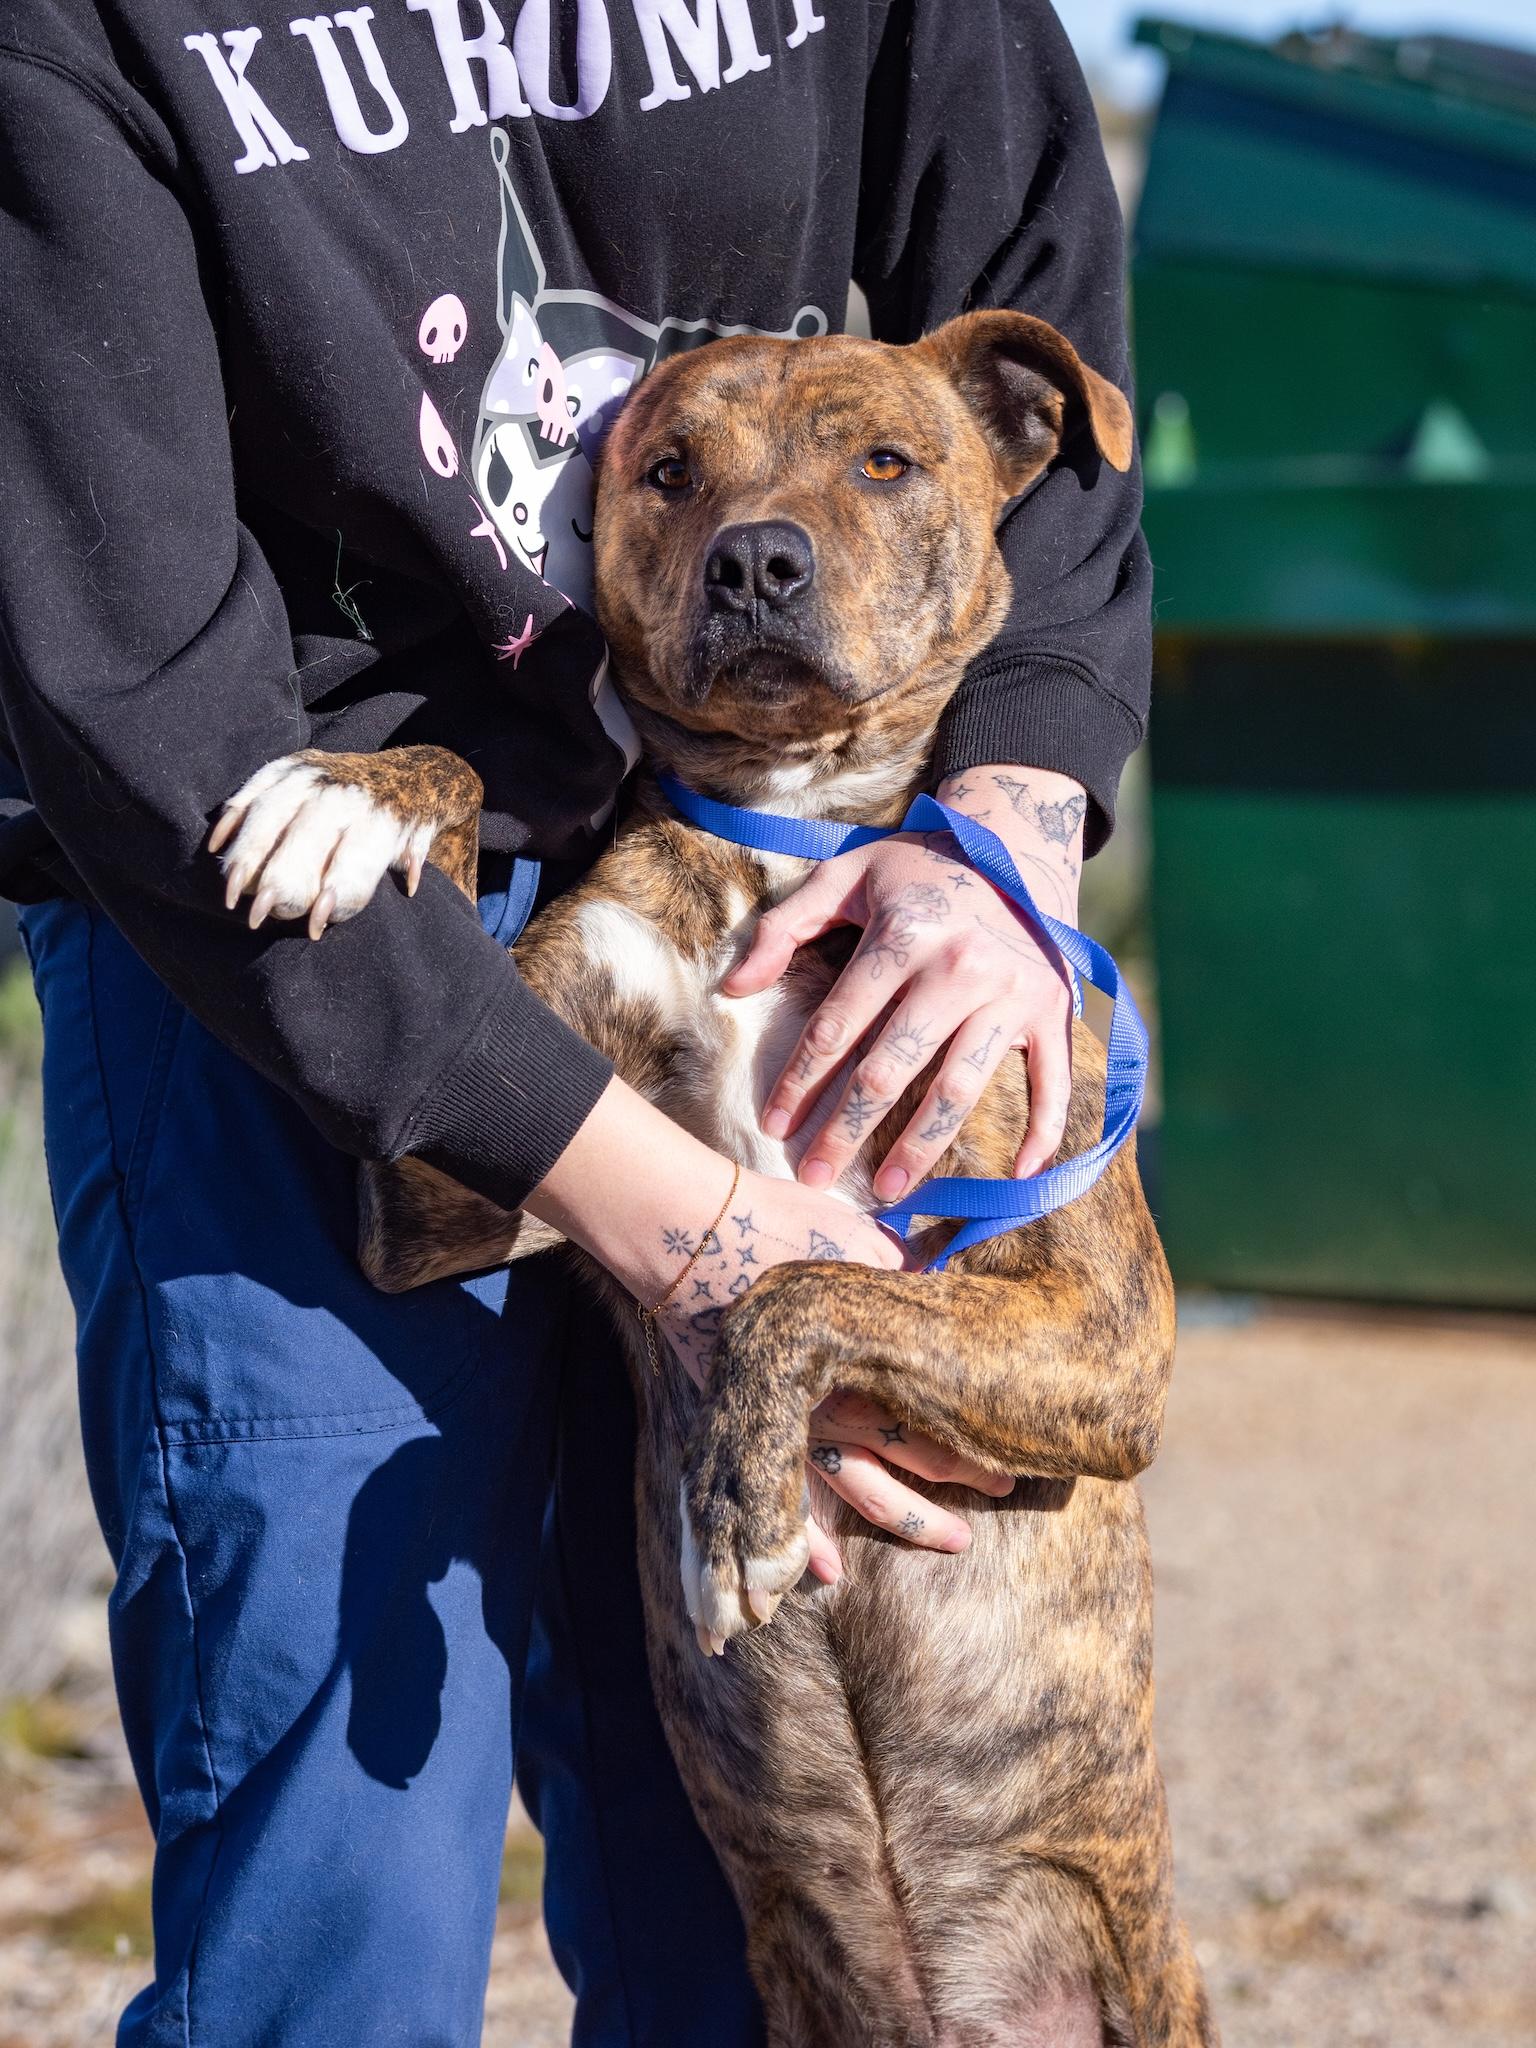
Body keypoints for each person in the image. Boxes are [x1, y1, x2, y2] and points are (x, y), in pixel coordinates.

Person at [0, 1, 1150, 2041]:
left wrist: (1017, 799)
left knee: (721, 1907)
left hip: (716, 847)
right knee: (344, 1868)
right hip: (279, 900)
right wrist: (707, 1251)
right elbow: (127, 669)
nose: (761, 521)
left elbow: (1037, 268)